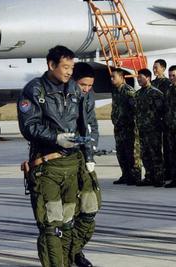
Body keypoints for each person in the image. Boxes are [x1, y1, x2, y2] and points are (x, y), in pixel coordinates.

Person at [18, 45, 84, 267]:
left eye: (71, 67)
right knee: (51, 226)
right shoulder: (34, 90)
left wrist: (87, 158)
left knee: (68, 224)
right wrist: (56, 138)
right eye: (65, 67)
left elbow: (84, 123)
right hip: (47, 168)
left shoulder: (74, 89)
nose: (69, 72)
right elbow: (29, 126)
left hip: (72, 166)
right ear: (51, 65)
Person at [69, 62, 101, 267]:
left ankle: (75, 250)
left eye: (90, 85)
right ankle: (68, 254)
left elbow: (92, 123)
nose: (87, 89)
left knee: (91, 207)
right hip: (65, 158)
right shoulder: (62, 97)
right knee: (66, 213)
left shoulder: (88, 96)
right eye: (83, 85)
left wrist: (92, 148)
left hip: (84, 157)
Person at [110, 68, 142, 186]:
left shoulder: (129, 91)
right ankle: (126, 175)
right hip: (119, 127)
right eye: (111, 77)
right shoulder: (115, 91)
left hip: (129, 128)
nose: (111, 79)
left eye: (114, 77)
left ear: (121, 77)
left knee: (132, 153)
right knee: (121, 152)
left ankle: (135, 176)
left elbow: (136, 110)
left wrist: (134, 126)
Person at [135, 68, 165, 187]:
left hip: (153, 129)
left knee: (155, 153)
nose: (138, 80)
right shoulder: (138, 94)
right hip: (142, 129)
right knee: (145, 154)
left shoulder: (155, 93)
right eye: (138, 77)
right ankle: (149, 176)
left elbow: (161, 111)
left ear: (148, 78)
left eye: (141, 77)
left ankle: (159, 177)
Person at [151, 59, 172, 181]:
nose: (154, 70)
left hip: (165, 119)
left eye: (156, 67)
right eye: (153, 67)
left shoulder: (168, 83)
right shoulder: (152, 83)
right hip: (154, 120)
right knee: (155, 147)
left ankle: (169, 172)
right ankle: (158, 172)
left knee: (168, 147)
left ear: (163, 69)